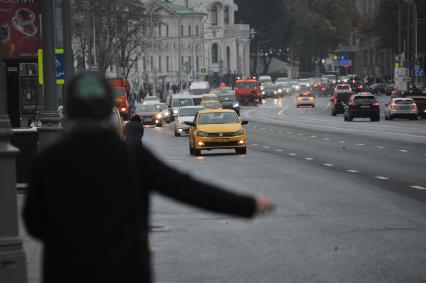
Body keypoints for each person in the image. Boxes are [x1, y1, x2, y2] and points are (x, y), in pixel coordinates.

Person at [23, 72, 274, 283]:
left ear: (71, 109)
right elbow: (186, 188)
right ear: (107, 109)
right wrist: (248, 205)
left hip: (65, 271)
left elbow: (33, 221)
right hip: (124, 269)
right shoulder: (129, 156)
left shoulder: (49, 159)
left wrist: (67, 240)